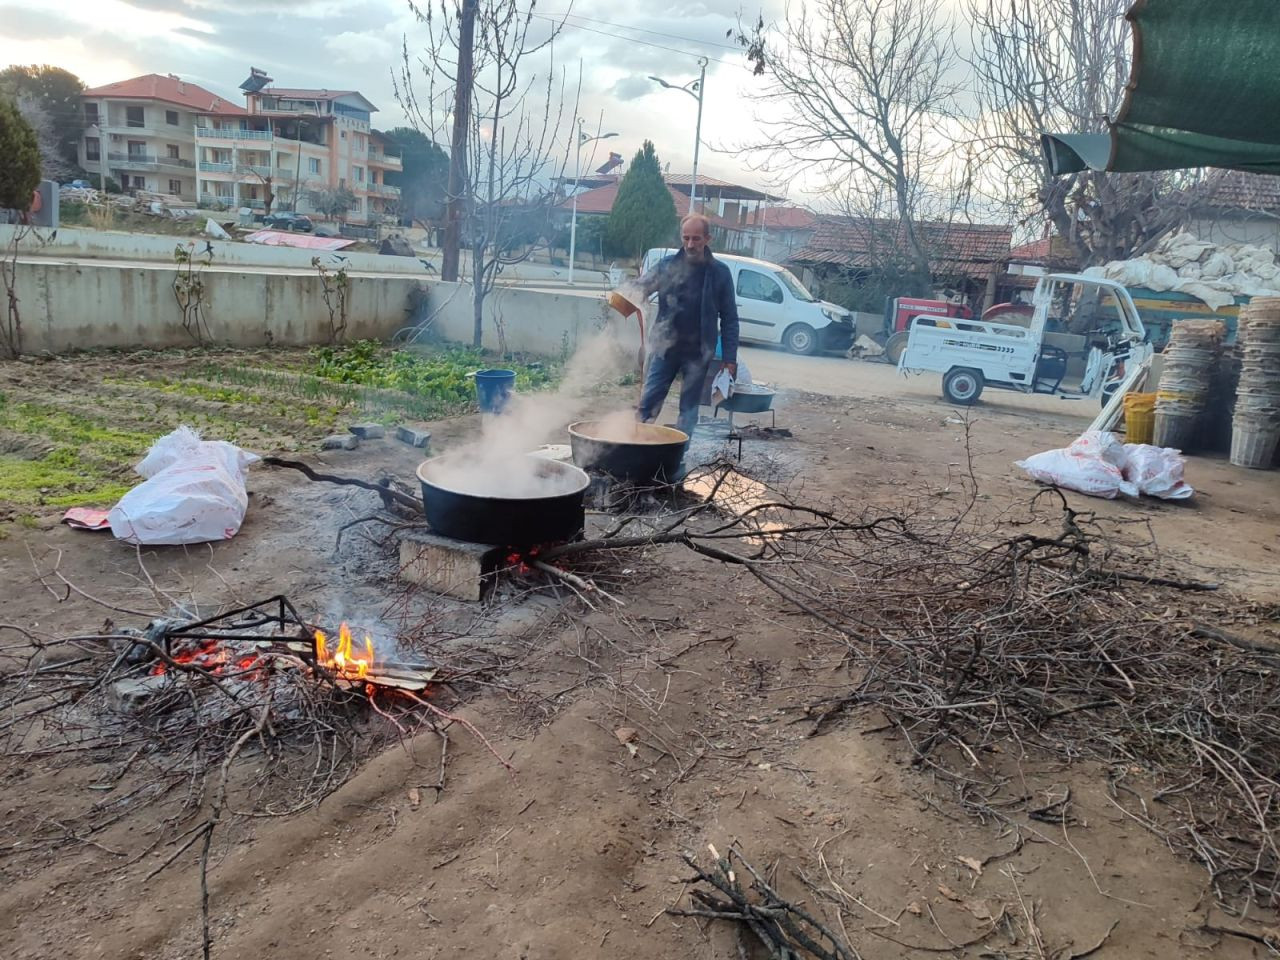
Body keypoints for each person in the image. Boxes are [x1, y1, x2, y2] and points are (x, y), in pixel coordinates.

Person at [634, 214, 739, 437]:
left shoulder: (720, 273)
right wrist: (628, 294)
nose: (690, 244)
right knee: (648, 404)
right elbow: (639, 289)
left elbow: (730, 318)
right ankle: (635, 448)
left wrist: (730, 359)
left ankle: (678, 458)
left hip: (698, 353)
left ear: (708, 238)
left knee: (688, 411)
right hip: (665, 349)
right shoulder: (666, 267)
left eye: (696, 239)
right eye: (686, 238)